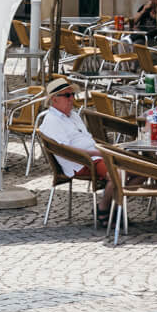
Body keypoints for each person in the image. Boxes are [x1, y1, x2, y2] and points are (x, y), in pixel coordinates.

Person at [37, 76, 116, 220]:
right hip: (82, 162)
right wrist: (97, 152)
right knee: (118, 175)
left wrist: (104, 149)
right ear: (54, 99)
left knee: (139, 172)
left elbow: (86, 138)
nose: (72, 98)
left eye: (73, 94)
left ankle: (113, 210)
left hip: (96, 155)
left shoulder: (73, 115)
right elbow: (66, 150)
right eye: (67, 95)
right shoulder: (51, 121)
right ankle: (104, 209)